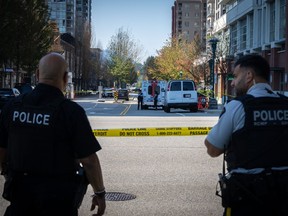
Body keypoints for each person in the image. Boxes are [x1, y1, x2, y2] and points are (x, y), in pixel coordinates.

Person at [0, 53, 106, 216]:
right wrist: (99, 193)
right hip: (58, 202)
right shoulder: (71, 112)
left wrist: (8, 174)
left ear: (37, 74)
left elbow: (2, 150)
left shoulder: (13, 106)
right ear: (65, 77)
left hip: (19, 198)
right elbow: (89, 160)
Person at [204, 54, 288, 216]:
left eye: (235, 76)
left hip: (248, 198)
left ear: (249, 75)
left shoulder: (238, 107)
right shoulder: (285, 104)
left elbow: (213, 149)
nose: (233, 82)